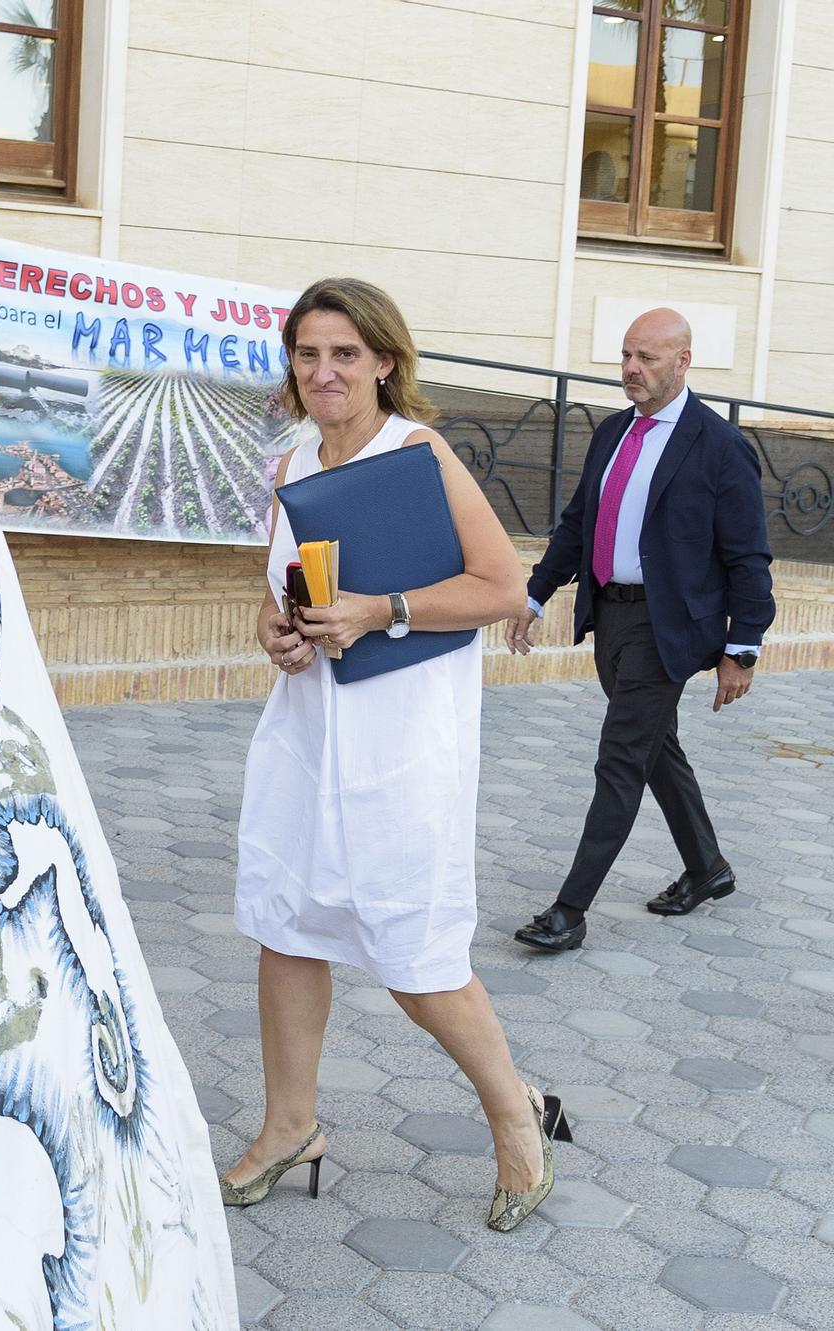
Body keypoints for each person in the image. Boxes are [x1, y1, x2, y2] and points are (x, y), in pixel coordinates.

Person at [224, 278, 567, 1234]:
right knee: (287, 922)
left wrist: (383, 611)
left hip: (402, 736)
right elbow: (278, 592)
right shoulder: (290, 455)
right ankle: (292, 1124)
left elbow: (502, 586)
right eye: (307, 354)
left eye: (344, 353)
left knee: (415, 949)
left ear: (383, 360)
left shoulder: (415, 452)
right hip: (308, 729)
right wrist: (279, 635)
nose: (324, 371)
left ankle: (516, 1116)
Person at [508, 309, 775, 952]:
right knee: (655, 746)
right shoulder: (612, 432)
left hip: (669, 626)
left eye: (647, 358)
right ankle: (707, 867)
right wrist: (537, 592)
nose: (631, 369)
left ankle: (568, 912)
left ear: (683, 363)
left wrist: (744, 647)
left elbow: (748, 555)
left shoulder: (719, 445)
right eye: (627, 356)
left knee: (621, 757)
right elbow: (578, 521)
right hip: (611, 615)